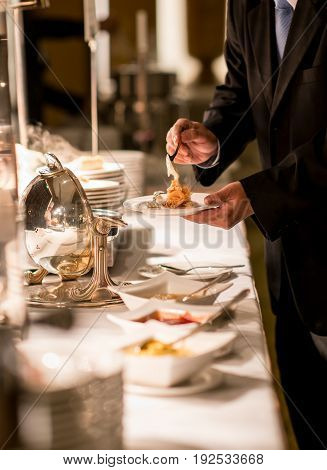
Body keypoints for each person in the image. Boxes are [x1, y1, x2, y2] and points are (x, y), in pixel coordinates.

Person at [166, 0, 327, 449]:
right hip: (289, 268)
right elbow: (241, 90)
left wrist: (258, 194)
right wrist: (213, 141)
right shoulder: (246, 4)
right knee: (307, 430)